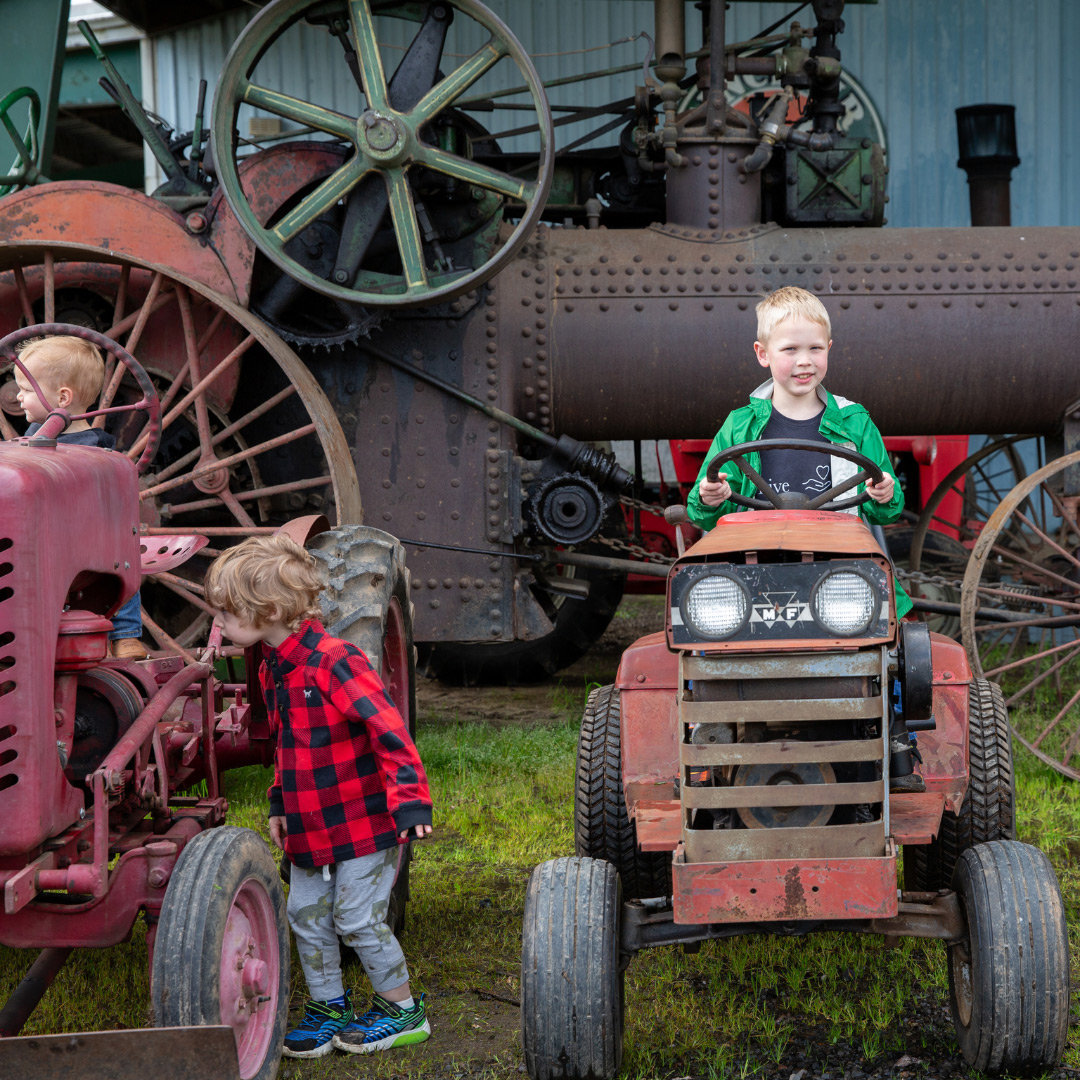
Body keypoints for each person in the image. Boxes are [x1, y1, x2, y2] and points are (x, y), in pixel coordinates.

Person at [204, 533, 433, 1060]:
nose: (220, 626)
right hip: (310, 823)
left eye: (227, 614)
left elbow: (389, 730)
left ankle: (403, 1011)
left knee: (356, 919)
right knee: (305, 916)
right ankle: (330, 1008)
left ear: (269, 609)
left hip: (363, 820)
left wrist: (411, 800)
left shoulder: (336, 661)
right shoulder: (273, 666)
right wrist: (279, 804)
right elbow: (289, 744)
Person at [687, 286, 911, 618]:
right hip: (756, 564)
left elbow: (886, 512)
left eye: (815, 348)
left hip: (839, 569)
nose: (804, 360)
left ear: (829, 349)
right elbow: (701, 512)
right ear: (763, 353)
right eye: (790, 349)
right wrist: (711, 495)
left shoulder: (854, 423)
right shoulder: (739, 426)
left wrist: (884, 493)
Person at [13, 335, 146, 658]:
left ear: (62, 397)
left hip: (89, 543)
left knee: (123, 563)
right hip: (45, 541)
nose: (18, 397)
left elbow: (114, 504)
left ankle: (126, 634)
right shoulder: (26, 444)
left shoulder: (97, 451)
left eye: (27, 390)